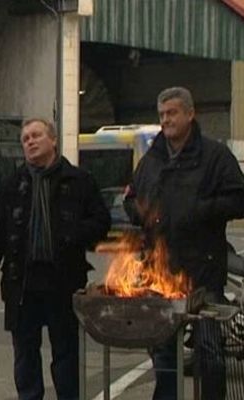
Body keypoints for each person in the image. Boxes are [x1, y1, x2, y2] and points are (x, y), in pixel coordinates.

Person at [124, 86, 244, 400]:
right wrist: (137, 213)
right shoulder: (152, 159)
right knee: (163, 353)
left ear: (190, 114)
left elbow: (239, 199)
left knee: (208, 353)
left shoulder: (215, 155)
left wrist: (200, 209)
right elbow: (132, 196)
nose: (166, 120)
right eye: (162, 114)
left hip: (202, 274)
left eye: (172, 113)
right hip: (160, 273)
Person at [0, 118, 110, 400]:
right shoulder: (13, 184)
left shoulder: (79, 180)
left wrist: (73, 233)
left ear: (53, 140)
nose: (29, 141)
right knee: (25, 356)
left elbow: (101, 222)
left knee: (65, 353)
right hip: (22, 283)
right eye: (25, 138)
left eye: (36, 135)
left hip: (63, 281)